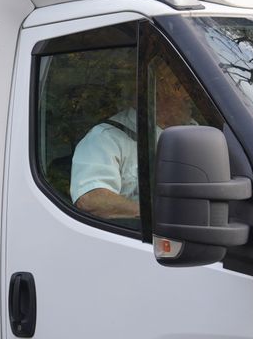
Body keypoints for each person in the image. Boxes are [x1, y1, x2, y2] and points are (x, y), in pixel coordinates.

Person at [70, 63, 200, 222]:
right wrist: (162, 216)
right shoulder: (105, 138)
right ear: (154, 94)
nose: (189, 93)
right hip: (138, 237)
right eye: (178, 86)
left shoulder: (194, 130)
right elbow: (91, 199)